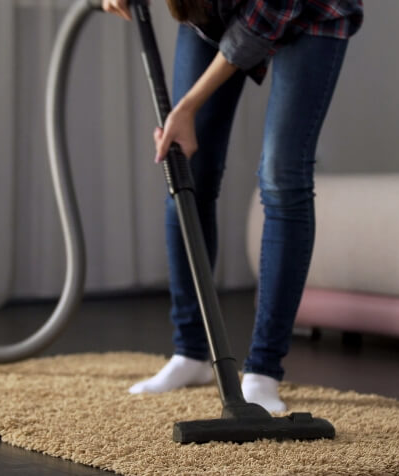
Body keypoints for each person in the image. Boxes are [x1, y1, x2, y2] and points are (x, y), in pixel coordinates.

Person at [103, 0, 363, 412]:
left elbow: (260, 24)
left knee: (282, 177)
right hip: (211, 9)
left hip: (310, 13)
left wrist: (187, 106)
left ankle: (263, 371)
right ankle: (190, 353)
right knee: (188, 170)